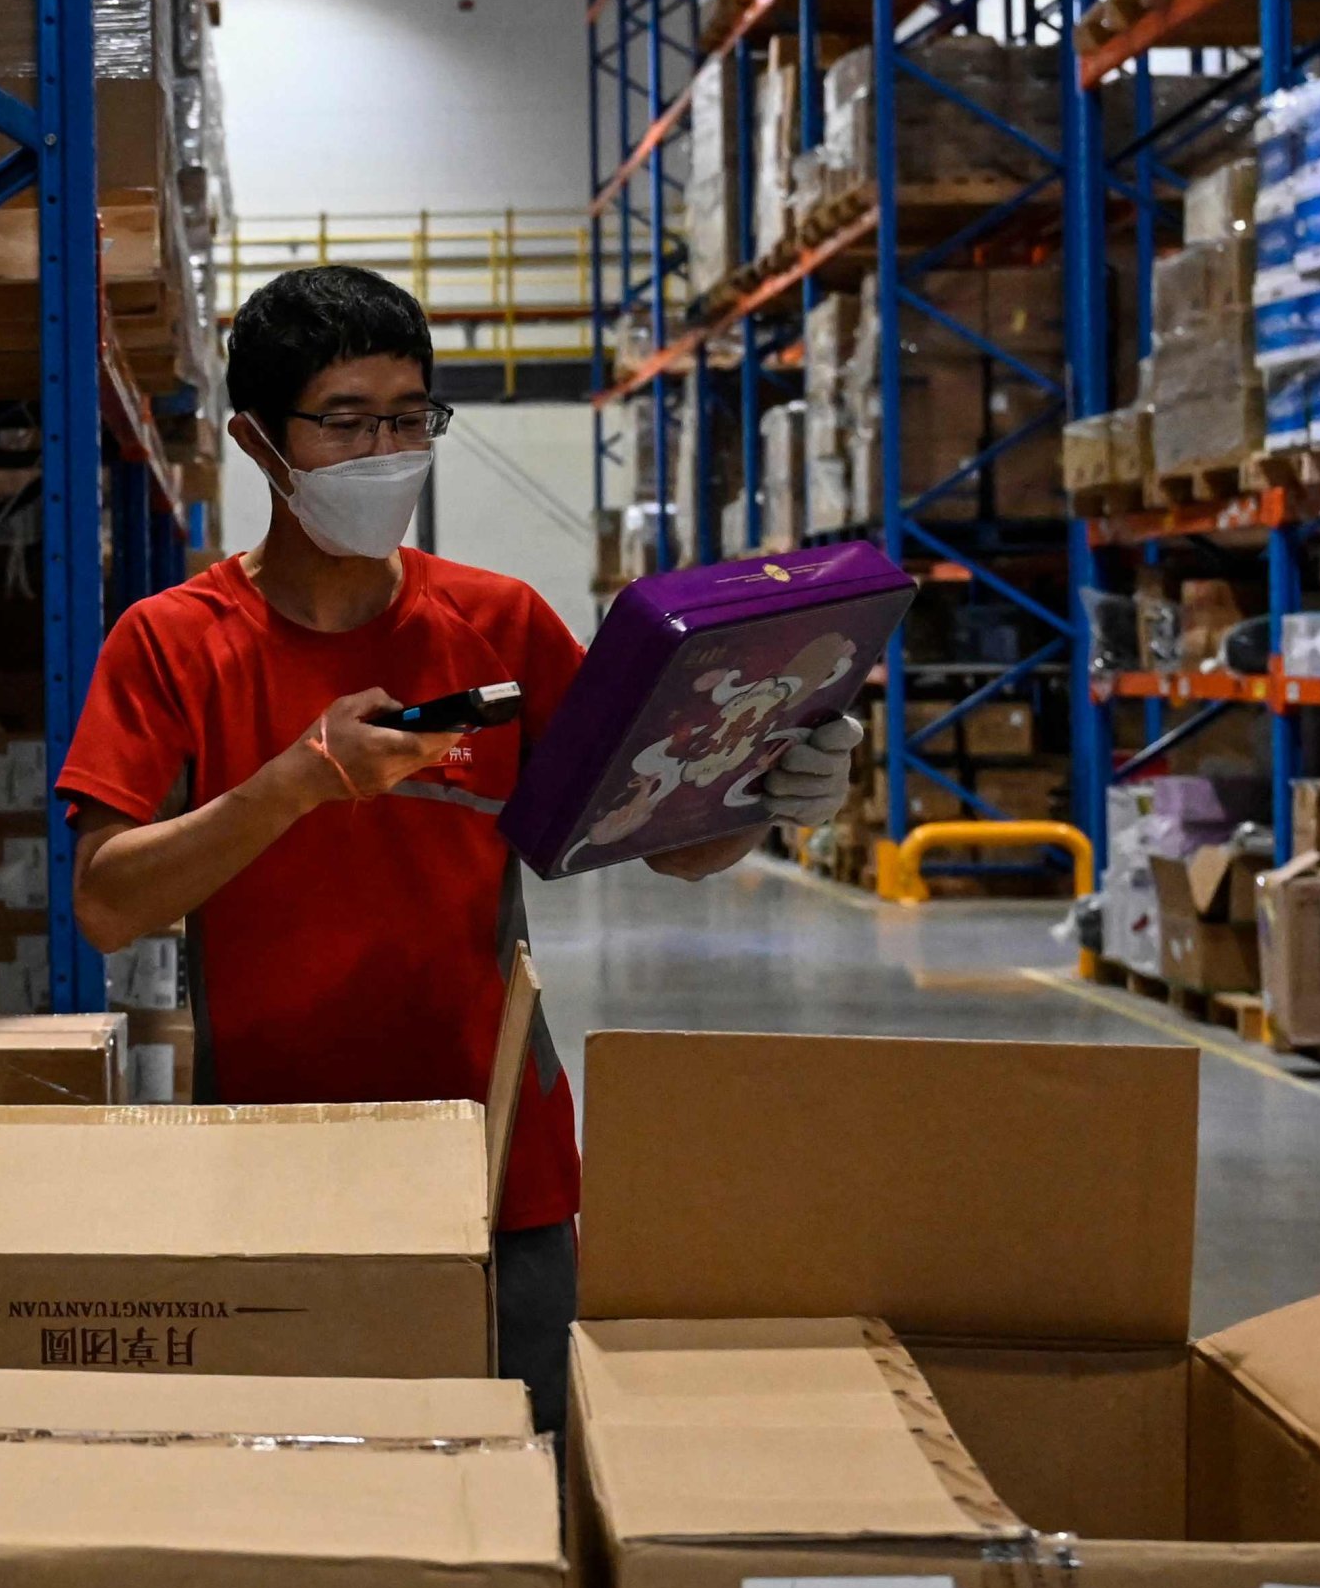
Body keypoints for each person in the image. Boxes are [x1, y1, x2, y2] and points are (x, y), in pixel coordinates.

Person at [55, 264, 862, 1427]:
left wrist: (763, 793)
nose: (387, 449)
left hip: (497, 1170)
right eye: (346, 420)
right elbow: (105, 902)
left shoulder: (500, 624)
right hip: (276, 1165)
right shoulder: (174, 643)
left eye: (409, 416)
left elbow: (657, 846)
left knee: (518, 1497)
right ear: (255, 441)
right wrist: (293, 783)